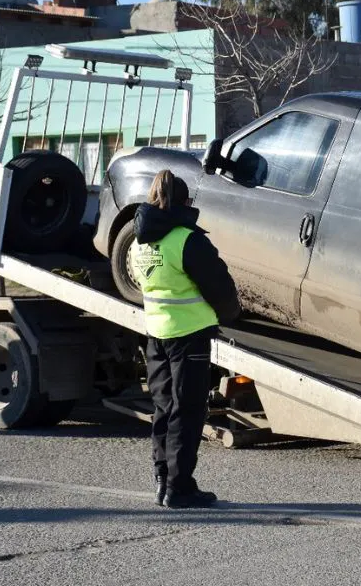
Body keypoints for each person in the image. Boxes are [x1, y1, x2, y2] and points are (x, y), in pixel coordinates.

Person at [132, 169, 241, 509]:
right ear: (183, 202)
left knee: (164, 409)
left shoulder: (141, 243)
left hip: (156, 334)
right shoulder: (187, 240)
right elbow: (219, 285)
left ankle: (163, 481)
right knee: (188, 411)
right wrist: (229, 314)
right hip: (189, 337)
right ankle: (180, 488)